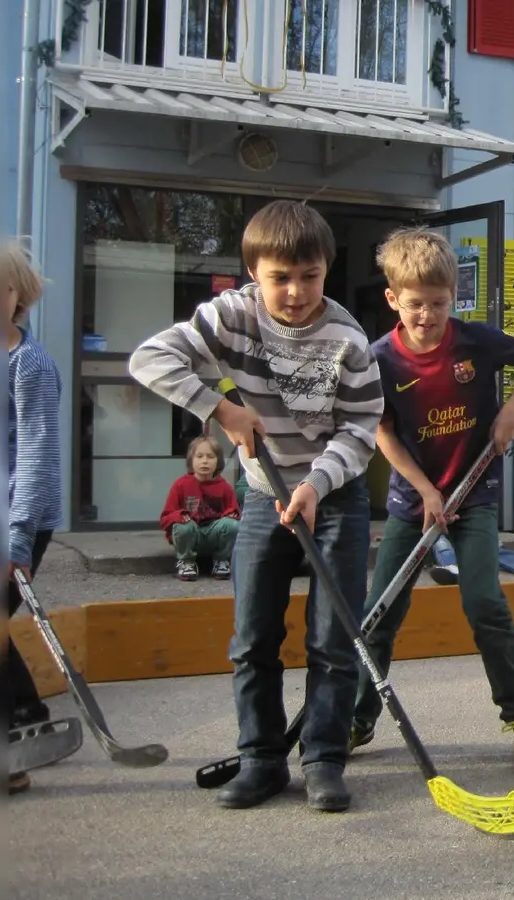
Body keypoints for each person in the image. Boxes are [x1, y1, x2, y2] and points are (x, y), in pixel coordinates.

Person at [130, 200, 384, 813]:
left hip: (335, 495)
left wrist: (317, 485)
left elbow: (360, 430)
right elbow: (149, 360)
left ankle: (324, 758)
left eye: (310, 276)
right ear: (254, 274)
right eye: (280, 277)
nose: (296, 292)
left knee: (333, 637)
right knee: (252, 636)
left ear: (327, 269)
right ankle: (261, 759)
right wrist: (220, 408)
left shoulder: (348, 340)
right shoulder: (230, 318)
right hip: (263, 493)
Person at [350, 226, 514, 764]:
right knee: (380, 612)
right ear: (393, 299)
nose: (427, 316)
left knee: (484, 601)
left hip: (475, 494)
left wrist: (511, 410)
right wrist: (424, 490)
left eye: (438, 303)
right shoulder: (380, 360)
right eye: (415, 304)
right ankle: (355, 718)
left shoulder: (473, 341)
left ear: (452, 298)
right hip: (412, 503)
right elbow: (383, 433)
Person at [0, 242, 60, 796]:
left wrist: (17, 541)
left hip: (17, 518)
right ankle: (29, 719)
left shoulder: (28, 365)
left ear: (19, 295)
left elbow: (36, 457)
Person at [159, 435, 241, 581]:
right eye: (199, 456)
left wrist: (231, 515)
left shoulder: (225, 487)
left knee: (232, 525)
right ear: (191, 460)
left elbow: (235, 513)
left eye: (210, 456)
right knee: (183, 526)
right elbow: (165, 517)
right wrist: (178, 516)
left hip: (213, 536)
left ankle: (221, 561)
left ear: (218, 461)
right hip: (191, 535)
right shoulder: (180, 485)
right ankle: (186, 562)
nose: (205, 461)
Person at [425, 533, 514, 585]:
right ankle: (452, 567)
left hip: (459, 526)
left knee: (485, 545)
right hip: (432, 528)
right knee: (440, 540)